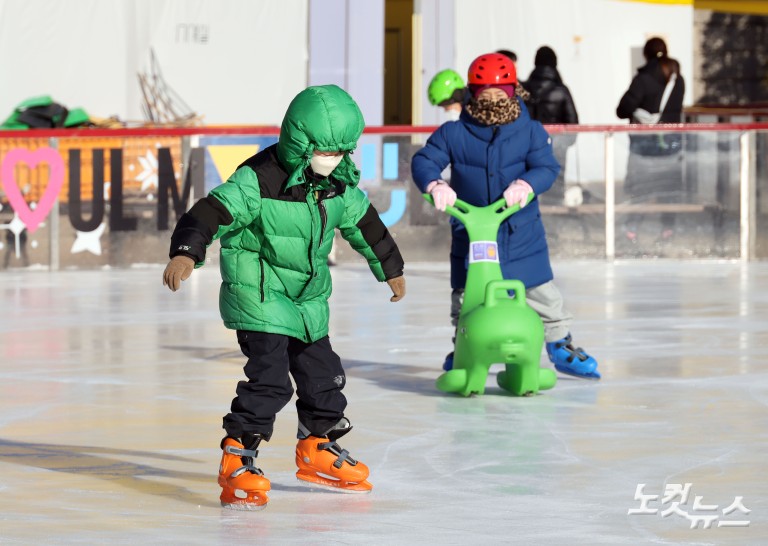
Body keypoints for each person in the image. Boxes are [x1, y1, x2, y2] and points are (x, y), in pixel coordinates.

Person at [162, 84, 406, 510]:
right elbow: (210, 212)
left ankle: (317, 448)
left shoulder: (338, 184)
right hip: (258, 293)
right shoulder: (259, 179)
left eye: (341, 151)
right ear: (300, 142)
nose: (333, 159)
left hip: (306, 299)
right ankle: (238, 459)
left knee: (324, 376)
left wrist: (391, 267)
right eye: (325, 150)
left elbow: (365, 225)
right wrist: (187, 252)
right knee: (271, 381)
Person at [411, 52, 600, 381]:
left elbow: (547, 167)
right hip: (472, 232)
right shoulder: (453, 133)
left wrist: (528, 183)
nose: (493, 100)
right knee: (466, 294)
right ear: (472, 92)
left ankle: (559, 344)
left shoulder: (530, 131)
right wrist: (435, 182)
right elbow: (425, 159)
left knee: (541, 291)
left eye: (500, 93)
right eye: (485, 94)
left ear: (514, 91)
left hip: (520, 230)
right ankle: (465, 345)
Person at [616, 37, 685, 243]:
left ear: (646, 54)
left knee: (641, 188)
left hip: (644, 144)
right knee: (668, 188)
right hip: (671, 142)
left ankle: (632, 230)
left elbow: (622, 109)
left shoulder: (643, 79)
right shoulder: (678, 79)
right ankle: (668, 231)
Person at [523, 46, 579, 204]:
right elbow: (573, 122)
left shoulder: (525, 89)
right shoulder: (561, 90)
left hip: (529, 146)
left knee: (528, 186)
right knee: (555, 185)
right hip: (556, 147)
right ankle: (554, 222)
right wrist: (563, 143)